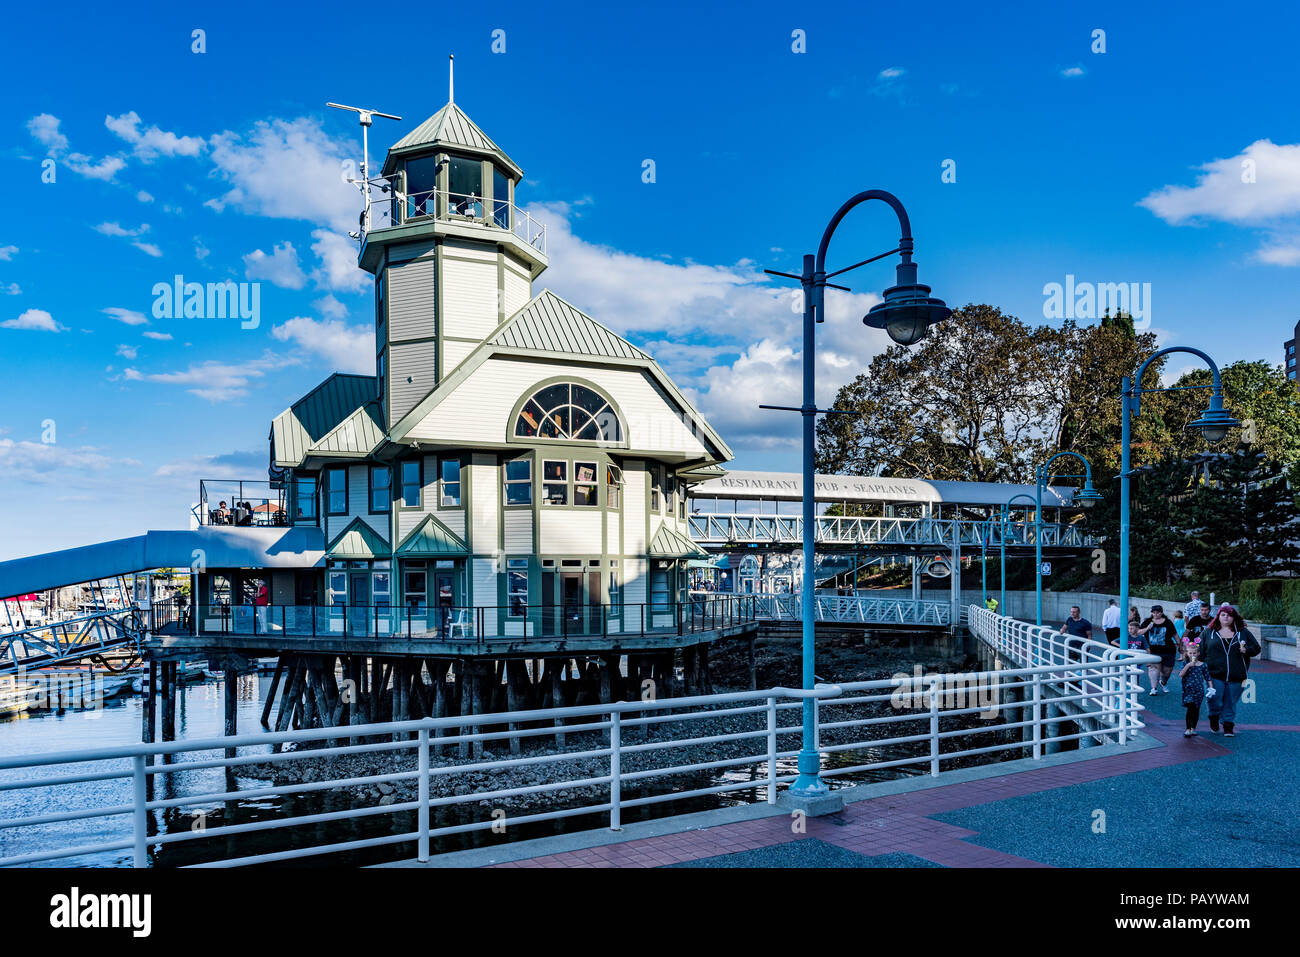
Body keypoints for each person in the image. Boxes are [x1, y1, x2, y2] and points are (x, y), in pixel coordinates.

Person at [1201, 603, 1260, 737]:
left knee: (1230, 701)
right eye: (1223, 615)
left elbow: (1256, 648)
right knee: (1215, 699)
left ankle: (1228, 725)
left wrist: (1246, 650)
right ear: (1218, 617)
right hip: (1214, 674)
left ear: (1234, 617)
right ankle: (1214, 717)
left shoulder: (1243, 632)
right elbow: (1200, 652)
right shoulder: (1208, 633)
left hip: (1237, 674)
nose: (1226, 617)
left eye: (1229, 615)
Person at [1138, 605, 1179, 695]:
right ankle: (1154, 688)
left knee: (1166, 672)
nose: (1155, 614)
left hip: (1168, 650)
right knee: (1153, 669)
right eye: (1153, 612)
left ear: (1161, 612)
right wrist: (1148, 628)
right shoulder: (1147, 622)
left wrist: (1180, 645)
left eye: (1158, 612)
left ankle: (1163, 683)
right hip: (1153, 651)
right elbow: (1138, 632)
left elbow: (1175, 634)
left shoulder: (1168, 622)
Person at [1178, 636, 1210, 737]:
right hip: (1188, 689)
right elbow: (1181, 675)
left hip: (1199, 690)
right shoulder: (1185, 663)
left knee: (1196, 709)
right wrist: (1188, 666)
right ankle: (1187, 729)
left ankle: (1193, 728)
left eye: (1194, 653)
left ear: (1198, 653)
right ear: (1187, 654)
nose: (1192, 655)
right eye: (1190, 653)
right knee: (1190, 707)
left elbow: (1207, 677)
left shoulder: (1203, 665)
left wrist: (1211, 688)